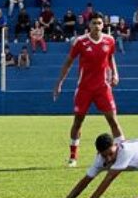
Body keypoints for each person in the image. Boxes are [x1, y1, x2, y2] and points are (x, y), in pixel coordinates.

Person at [53, 13, 124, 168]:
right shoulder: (81, 42)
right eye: (94, 23)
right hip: (84, 88)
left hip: (103, 88)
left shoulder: (109, 40)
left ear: (103, 25)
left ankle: (124, 154)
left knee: (113, 120)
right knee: (78, 121)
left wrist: (115, 73)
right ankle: (73, 157)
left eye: (99, 23)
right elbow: (68, 62)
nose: (97, 26)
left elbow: (110, 57)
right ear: (89, 25)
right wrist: (59, 82)